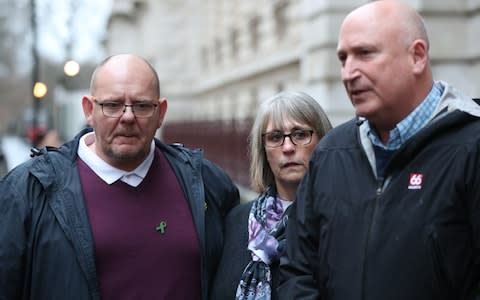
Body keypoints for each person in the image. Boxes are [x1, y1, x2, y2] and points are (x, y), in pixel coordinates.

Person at [278, 1, 480, 299]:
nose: (348, 73)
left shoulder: (470, 147)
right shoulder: (331, 153)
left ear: (417, 56)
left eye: (365, 54)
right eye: (343, 58)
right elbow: (298, 267)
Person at [0, 54, 239, 300]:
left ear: (161, 113)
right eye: (112, 105)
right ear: (89, 110)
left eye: (142, 105)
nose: (127, 117)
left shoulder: (207, 183)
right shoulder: (28, 192)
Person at [211, 91, 332, 299]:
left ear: (322, 140)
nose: (287, 147)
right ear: (263, 150)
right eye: (275, 137)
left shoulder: (338, 218)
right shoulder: (237, 221)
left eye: (300, 134)